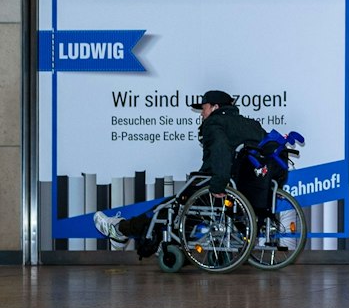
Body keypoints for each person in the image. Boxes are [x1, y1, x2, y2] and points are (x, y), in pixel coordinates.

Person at [93, 89, 271, 254]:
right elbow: (271, 152)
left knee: (169, 207)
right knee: (185, 208)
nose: (201, 114)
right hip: (250, 193)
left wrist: (218, 184)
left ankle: (120, 229)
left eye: (204, 108)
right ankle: (170, 245)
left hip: (220, 188)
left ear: (215, 107)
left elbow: (220, 151)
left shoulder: (214, 123)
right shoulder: (253, 125)